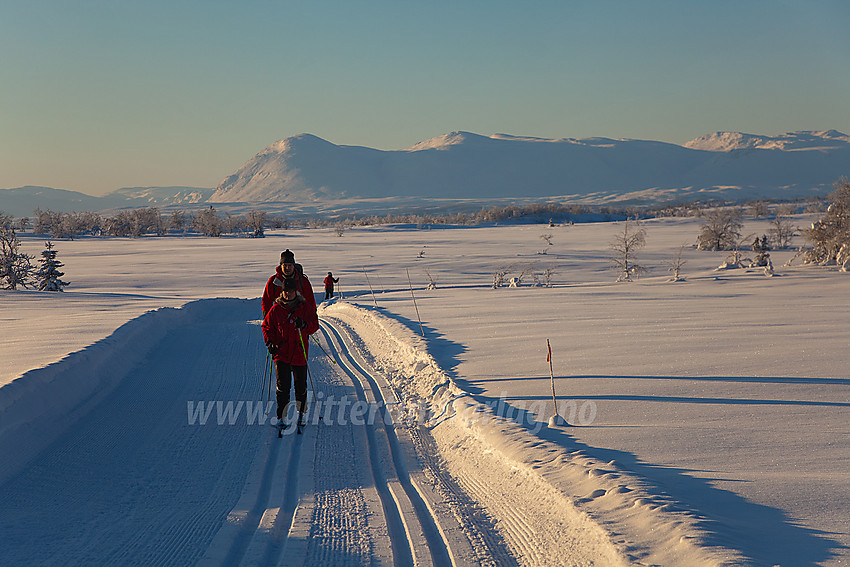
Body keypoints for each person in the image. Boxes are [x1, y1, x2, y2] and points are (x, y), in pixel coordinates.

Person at [262, 278, 319, 424]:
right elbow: (267, 327)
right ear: (282, 292)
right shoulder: (276, 309)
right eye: (285, 292)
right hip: (281, 353)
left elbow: (314, 325)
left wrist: (304, 324)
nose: (288, 294)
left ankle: (302, 413)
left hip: (299, 353)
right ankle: (281, 416)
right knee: (283, 386)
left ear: (296, 292)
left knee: (301, 386)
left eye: (291, 291)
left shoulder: (304, 308)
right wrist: (270, 342)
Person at [262, 249, 316, 316]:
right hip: (280, 318)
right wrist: (267, 319)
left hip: (299, 318)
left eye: (290, 265)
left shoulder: (302, 281)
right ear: (280, 266)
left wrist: (311, 319)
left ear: (294, 266)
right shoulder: (273, 281)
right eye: (284, 265)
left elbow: (310, 301)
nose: (287, 268)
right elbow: (266, 301)